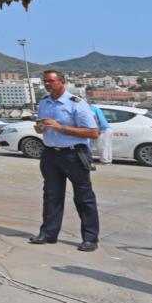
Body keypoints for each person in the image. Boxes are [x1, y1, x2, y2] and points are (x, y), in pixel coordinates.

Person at [28, 70, 100, 251]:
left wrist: (61, 128)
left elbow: (93, 132)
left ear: (62, 82)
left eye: (51, 81)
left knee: (83, 197)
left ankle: (90, 239)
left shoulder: (76, 103)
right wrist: (40, 128)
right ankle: (48, 234)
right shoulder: (44, 102)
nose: (47, 84)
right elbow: (43, 128)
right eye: (45, 81)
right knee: (51, 195)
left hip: (74, 154)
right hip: (51, 154)